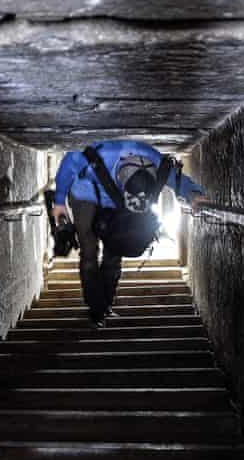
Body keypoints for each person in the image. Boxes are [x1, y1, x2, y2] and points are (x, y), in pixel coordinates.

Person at [51, 139, 206, 327]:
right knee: (89, 249)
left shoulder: (154, 159)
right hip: (86, 194)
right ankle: (95, 309)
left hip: (118, 204)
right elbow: (70, 162)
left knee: (115, 250)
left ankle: (104, 306)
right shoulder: (101, 154)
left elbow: (173, 176)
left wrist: (194, 194)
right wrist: (59, 201)